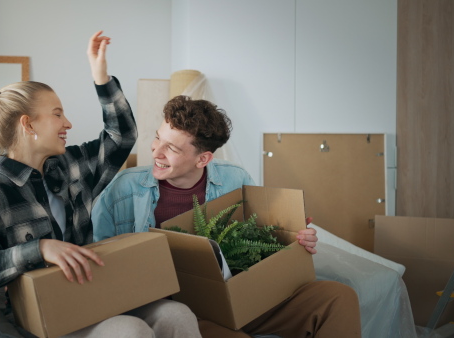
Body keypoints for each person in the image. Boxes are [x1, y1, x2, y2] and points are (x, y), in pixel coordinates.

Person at [0, 31, 201, 338]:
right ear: (28, 125)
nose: (68, 123)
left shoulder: (67, 168)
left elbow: (122, 137)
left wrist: (101, 77)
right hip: (44, 316)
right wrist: (38, 249)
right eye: (57, 114)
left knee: (178, 314)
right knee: (128, 330)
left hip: (91, 297)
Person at [92, 95, 362, 337]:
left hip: (241, 296)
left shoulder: (236, 179)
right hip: (183, 308)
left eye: (172, 148)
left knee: (338, 297)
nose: (156, 151)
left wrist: (294, 240)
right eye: (158, 137)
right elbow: (100, 258)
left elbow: (260, 244)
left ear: (202, 159)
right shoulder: (123, 189)